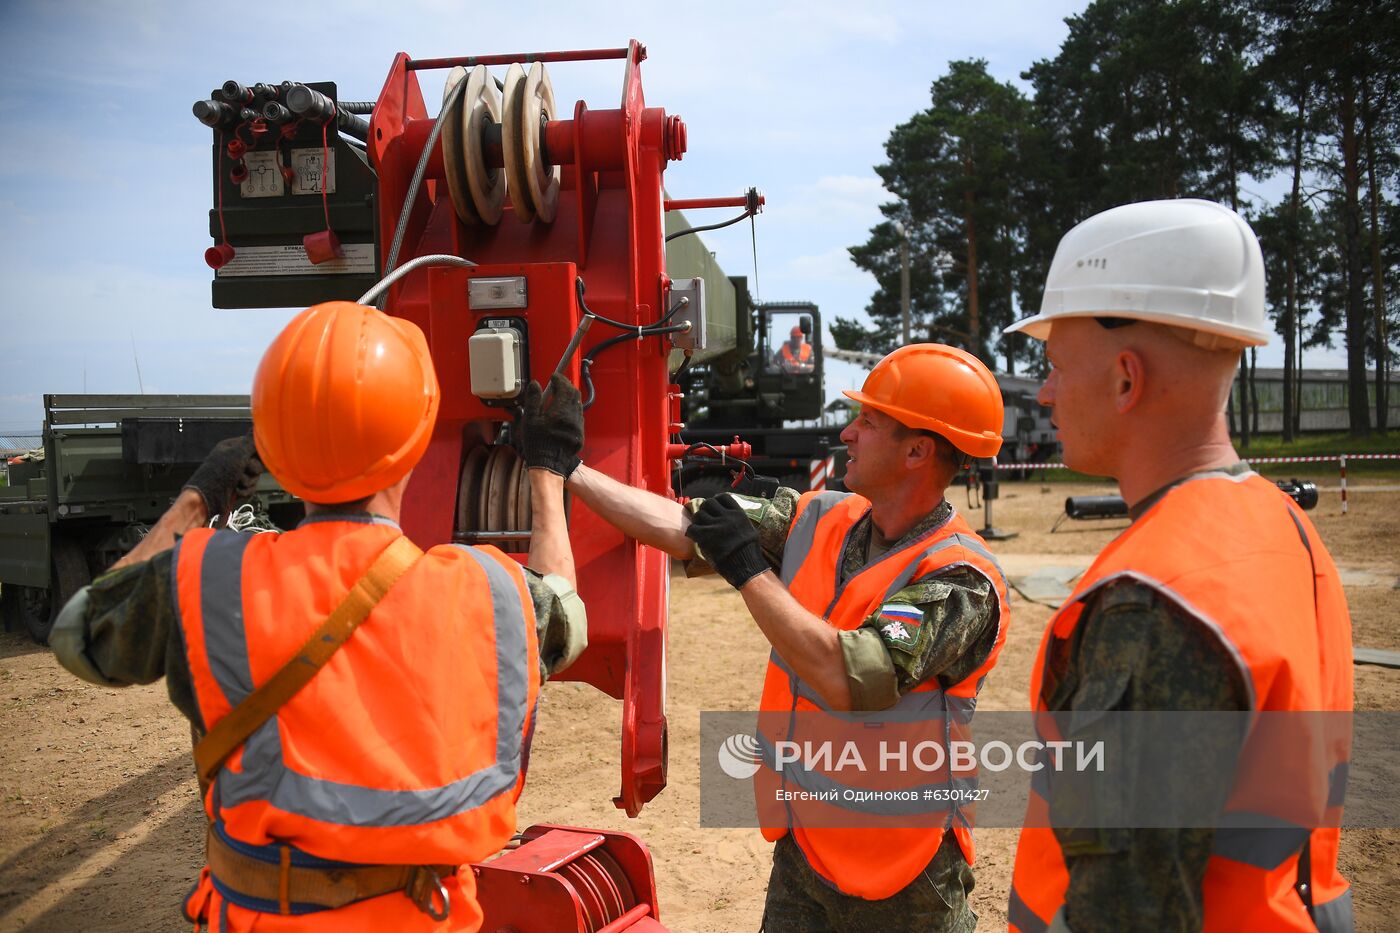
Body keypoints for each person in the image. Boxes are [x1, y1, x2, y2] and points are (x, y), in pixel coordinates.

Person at [50, 301, 589, 932]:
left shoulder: (210, 579)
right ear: (415, 445)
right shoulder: (492, 592)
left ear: (275, 449)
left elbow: (79, 635)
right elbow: (566, 612)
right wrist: (546, 475)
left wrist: (198, 499)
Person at [542, 343, 1012, 932]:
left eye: (868, 422)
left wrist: (750, 573)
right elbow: (687, 526)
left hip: (906, 863)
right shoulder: (824, 519)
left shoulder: (960, 577)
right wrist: (567, 467)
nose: (847, 434)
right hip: (806, 845)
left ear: (918, 450)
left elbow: (853, 676)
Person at [1002, 199, 1353, 932]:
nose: (1045, 391)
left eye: (1057, 367)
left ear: (1127, 380)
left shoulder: (1153, 601)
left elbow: (1126, 912)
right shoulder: (1282, 525)